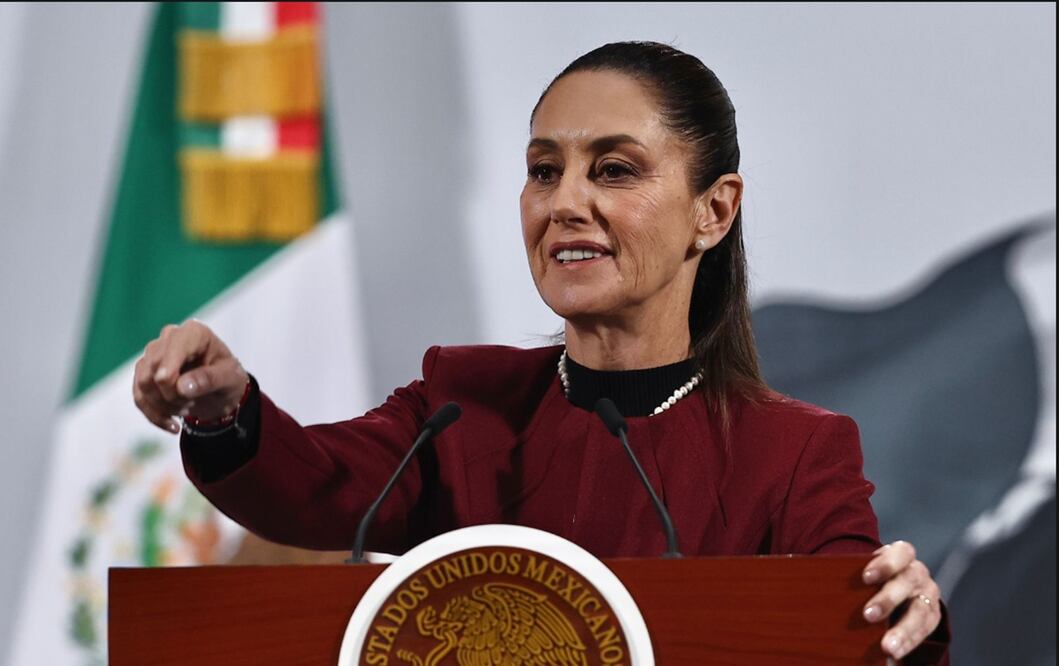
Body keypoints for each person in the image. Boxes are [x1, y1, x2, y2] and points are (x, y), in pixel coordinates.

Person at [133, 42, 949, 662]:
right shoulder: (460, 406)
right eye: (543, 170)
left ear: (713, 210)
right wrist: (223, 409)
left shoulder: (793, 452)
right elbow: (311, 487)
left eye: (614, 170)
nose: (565, 204)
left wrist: (910, 614)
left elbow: (854, 632)